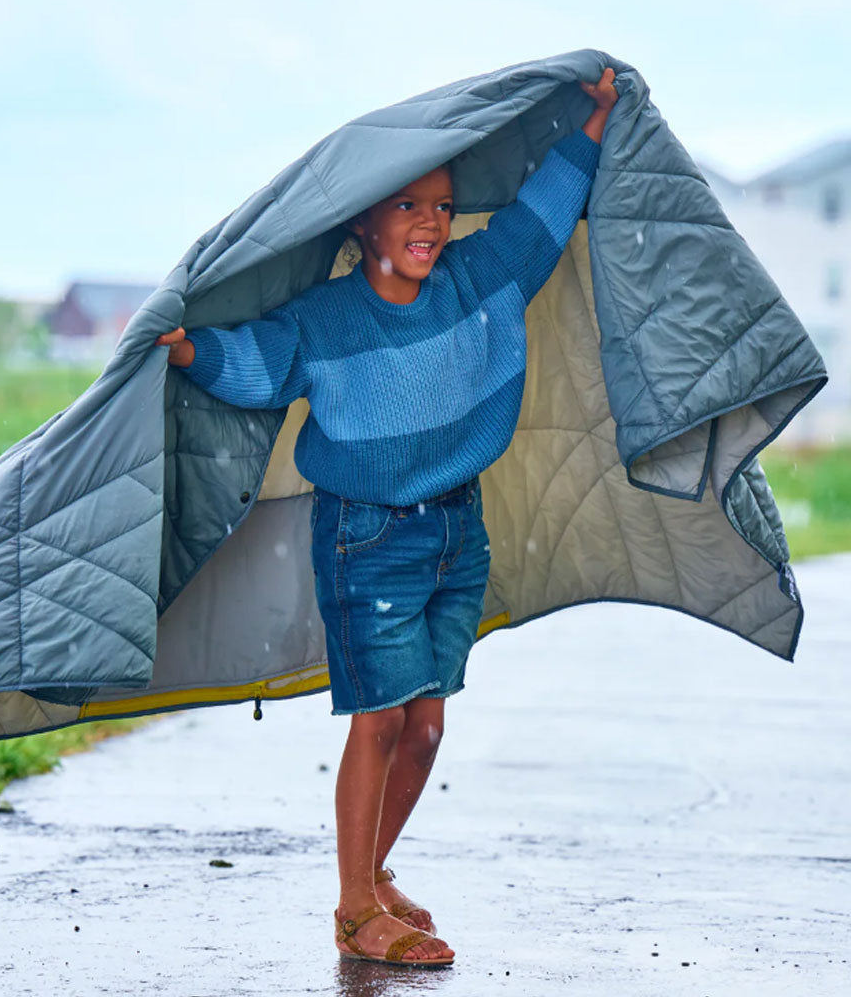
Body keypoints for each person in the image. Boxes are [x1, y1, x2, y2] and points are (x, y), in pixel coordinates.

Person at [156, 68, 619, 966]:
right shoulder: (327, 319)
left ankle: (374, 875)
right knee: (377, 720)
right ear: (365, 221)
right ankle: (354, 910)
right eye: (407, 207)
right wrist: (185, 349)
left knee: (428, 724)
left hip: (456, 529)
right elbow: (255, 366)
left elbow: (541, 215)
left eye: (441, 208)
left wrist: (593, 125)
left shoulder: (478, 279)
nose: (429, 225)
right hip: (365, 537)